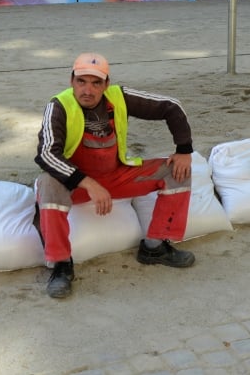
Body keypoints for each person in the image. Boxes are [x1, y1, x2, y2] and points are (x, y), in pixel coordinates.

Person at [34, 52, 196, 299]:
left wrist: (184, 149)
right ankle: (61, 264)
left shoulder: (119, 97)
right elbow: (46, 154)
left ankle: (154, 247)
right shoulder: (58, 106)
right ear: (71, 81)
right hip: (76, 185)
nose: (88, 90)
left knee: (178, 171)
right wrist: (88, 184)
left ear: (106, 84)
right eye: (82, 81)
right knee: (47, 183)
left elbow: (171, 107)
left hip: (116, 175)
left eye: (96, 83)